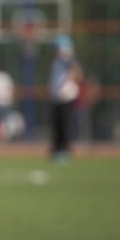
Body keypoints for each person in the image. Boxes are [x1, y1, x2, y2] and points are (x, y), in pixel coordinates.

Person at [49, 34, 80, 162]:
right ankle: (57, 149)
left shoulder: (67, 60)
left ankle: (64, 150)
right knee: (57, 125)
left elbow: (76, 71)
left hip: (65, 98)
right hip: (57, 98)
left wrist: (67, 84)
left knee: (65, 126)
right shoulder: (58, 61)